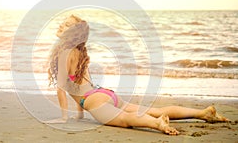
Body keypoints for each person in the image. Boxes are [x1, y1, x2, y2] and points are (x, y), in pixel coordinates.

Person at [46, 15, 229, 135]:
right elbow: (79, 85)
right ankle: (204, 113)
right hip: (104, 94)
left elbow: (62, 88)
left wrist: (64, 117)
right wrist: (80, 114)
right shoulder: (81, 52)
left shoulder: (65, 53)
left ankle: (157, 124)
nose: (61, 25)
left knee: (125, 120)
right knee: (154, 110)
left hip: (94, 100)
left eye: (65, 24)